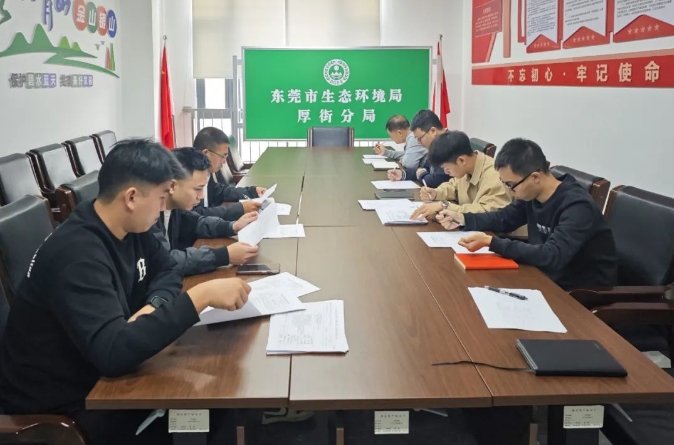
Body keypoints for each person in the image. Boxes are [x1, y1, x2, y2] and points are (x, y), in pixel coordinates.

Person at [0, 139, 253, 445]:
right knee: (209, 406)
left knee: (218, 400)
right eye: (161, 196)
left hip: (104, 378)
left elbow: (168, 270)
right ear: (131, 197)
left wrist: (154, 305)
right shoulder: (77, 253)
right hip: (66, 409)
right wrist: (199, 297)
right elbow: (113, 353)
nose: (164, 206)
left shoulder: (129, 227)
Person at [437, 137, 617, 290]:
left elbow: (552, 255)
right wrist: (462, 218)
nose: (509, 191)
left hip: (579, 293)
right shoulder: (532, 195)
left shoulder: (577, 206)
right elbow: (503, 218)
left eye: (510, 185)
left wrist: (493, 242)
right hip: (542, 276)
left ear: (535, 177)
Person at [152, 147, 259, 276]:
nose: (201, 196)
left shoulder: (176, 208)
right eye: (198, 189)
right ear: (172, 186)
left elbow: (196, 223)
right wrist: (224, 255)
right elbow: (165, 260)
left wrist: (232, 226)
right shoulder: (149, 216)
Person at [410, 131, 513, 220]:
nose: (446, 172)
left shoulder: (496, 176)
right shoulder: (466, 168)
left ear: (461, 160)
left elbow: (486, 213)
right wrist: (436, 193)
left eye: (447, 168)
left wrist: (444, 206)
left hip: (497, 234)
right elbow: (453, 186)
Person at [192, 127, 265, 220]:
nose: (224, 162)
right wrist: (240, 209)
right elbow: (197, 215)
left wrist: (252, 191)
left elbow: (220, 192)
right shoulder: (189, 178)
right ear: (206, 153)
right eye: (223, 156)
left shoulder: (206, 172)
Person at [386, 109, 450, 187]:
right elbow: (425, 169)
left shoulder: (450, 145)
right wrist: (403, 174)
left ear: (433, 131)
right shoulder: (436, 144)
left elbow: (438, 180)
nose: (419, 142)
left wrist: (422, 175)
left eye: (420, 138)